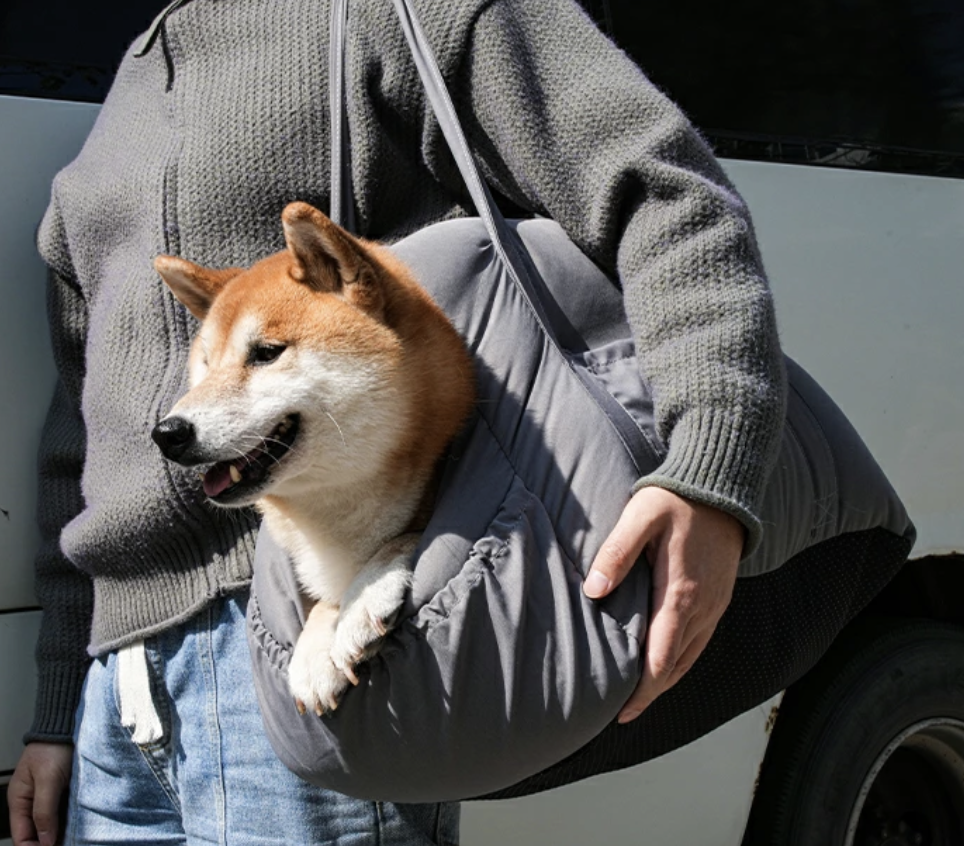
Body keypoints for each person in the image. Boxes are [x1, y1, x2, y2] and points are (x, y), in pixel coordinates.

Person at [8, 0, 785, 842]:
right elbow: (83, 430)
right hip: (116, 700)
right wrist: (60, 702)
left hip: (323, 644)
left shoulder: (419, 11)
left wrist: (711, 469)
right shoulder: (131, 77)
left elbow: (666, 195)